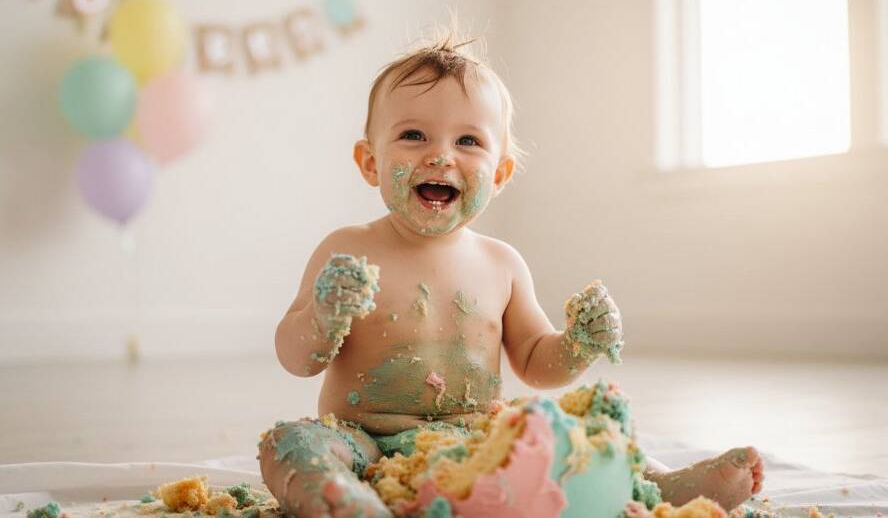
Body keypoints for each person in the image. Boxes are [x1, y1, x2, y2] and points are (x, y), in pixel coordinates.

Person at [259, 31, 764, 518]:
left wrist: (577, 345)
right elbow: (295, 357)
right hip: (363, 443)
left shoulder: (501, 264)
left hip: (482, 441)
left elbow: (535, 362)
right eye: (413, 135)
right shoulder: (346, 251)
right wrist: (324, 315)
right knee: (291, 443)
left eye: (468, 141)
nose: (440, 155)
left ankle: (657, 482)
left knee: (581, 431)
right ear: (370, 162)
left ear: (499, 174)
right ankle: (347, 501)